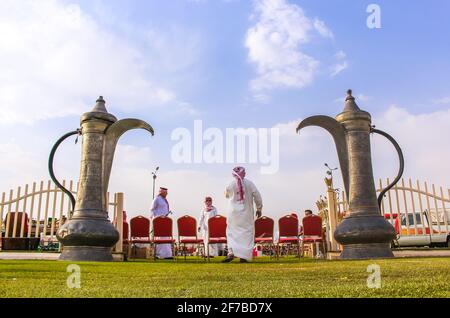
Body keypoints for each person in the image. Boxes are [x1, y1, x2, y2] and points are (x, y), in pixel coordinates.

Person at [223, 167, 263, 263]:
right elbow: (257, 196)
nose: (245, 173)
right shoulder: (249, 183)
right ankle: (244, 256)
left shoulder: (230, 184)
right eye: (244, 172)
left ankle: (231, 252)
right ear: (242, 174)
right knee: (246, 233)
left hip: (233, 214)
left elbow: (226, 195)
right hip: (247, 213)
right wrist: (259, 208)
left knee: (231, 233)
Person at [150, 187, 173, 259]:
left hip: (165, 221)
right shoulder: (157, 199)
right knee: (160, 238)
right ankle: (159, 255)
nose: (167, 194)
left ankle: (167, 255)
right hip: (158, 222)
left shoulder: (164, 200)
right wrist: (155, 219)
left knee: (166, 237)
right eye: (165, 193)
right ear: (161, 192)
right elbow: (152, 209)